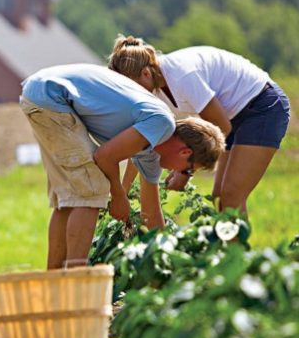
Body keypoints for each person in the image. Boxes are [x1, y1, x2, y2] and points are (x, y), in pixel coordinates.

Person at [21, 63, 225, 269]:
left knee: (69, 199)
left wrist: (166, 257)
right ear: (185, 152)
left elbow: (152, 213)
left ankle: (53, 280)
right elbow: (104, 157)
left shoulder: (151, 154)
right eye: (188, 170)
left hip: (42, 92)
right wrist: (118, 196)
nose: (180, 174)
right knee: (93, 189)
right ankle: (77, 277)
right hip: (52, 96)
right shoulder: (162, 123)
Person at [108, 36, 291, 213]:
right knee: (219, 196)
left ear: (146, 73)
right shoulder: (152, 88)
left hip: (262, 106)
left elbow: (221, 128)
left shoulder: (182, 76)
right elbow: (141, 143)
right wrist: (122, 193)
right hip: (230, 116)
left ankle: (236, 245)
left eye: (131, 87)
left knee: (231, 197)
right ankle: (227, 244)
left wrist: (185, 172)